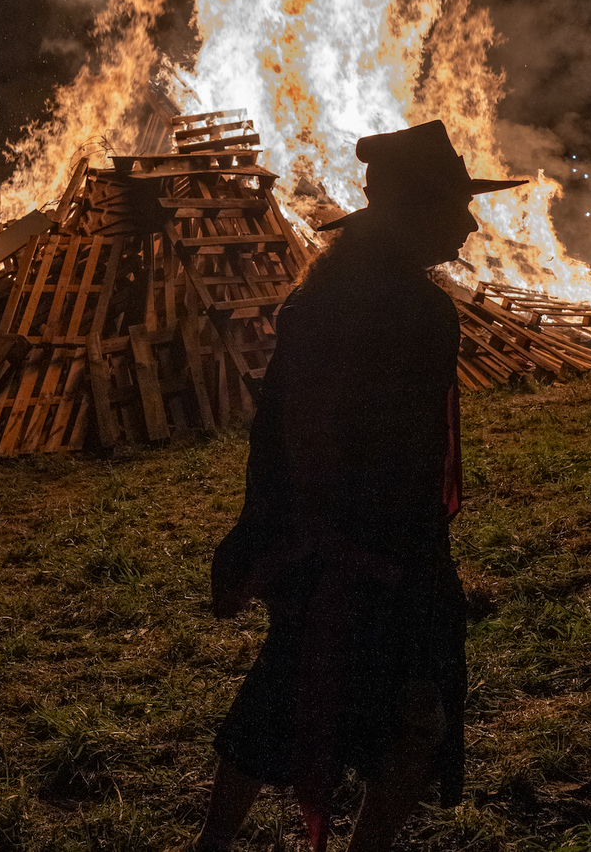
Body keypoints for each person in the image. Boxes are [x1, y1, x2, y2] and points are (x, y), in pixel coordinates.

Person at [187, 122, 527, 852]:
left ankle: (210, 844)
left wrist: (276, 535)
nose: (469, 224)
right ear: (418, 211)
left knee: (288, 690)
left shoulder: (319, 296)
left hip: (313, 543)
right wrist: (399, 557)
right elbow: (396, 447)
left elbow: (279, 434)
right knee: (415, 710)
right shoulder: (417, 311)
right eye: (457, 206)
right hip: (385, 551)